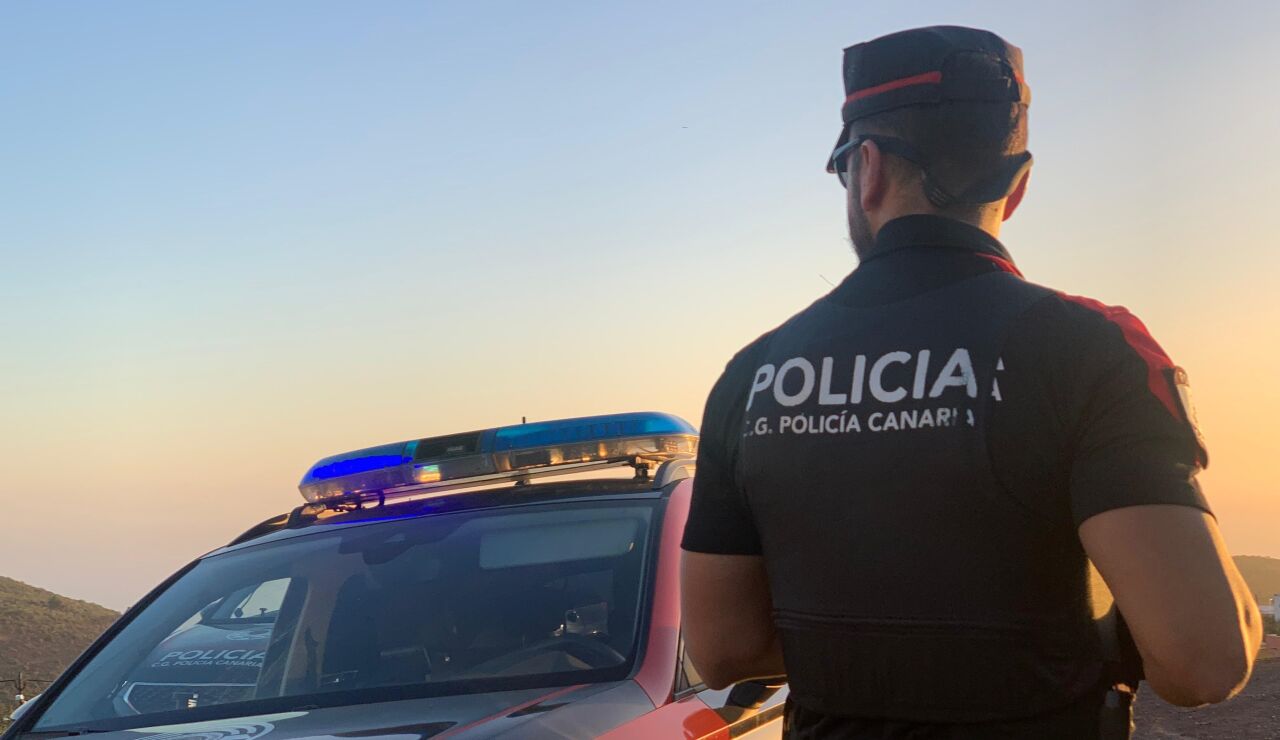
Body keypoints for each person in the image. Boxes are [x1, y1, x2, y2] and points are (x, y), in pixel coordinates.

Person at [679, 25, 1261, 739]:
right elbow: (1202, 661)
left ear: (866, 170)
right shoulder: (1089, 349)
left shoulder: (752, 377)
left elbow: (723, 649)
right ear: (1016, 184)